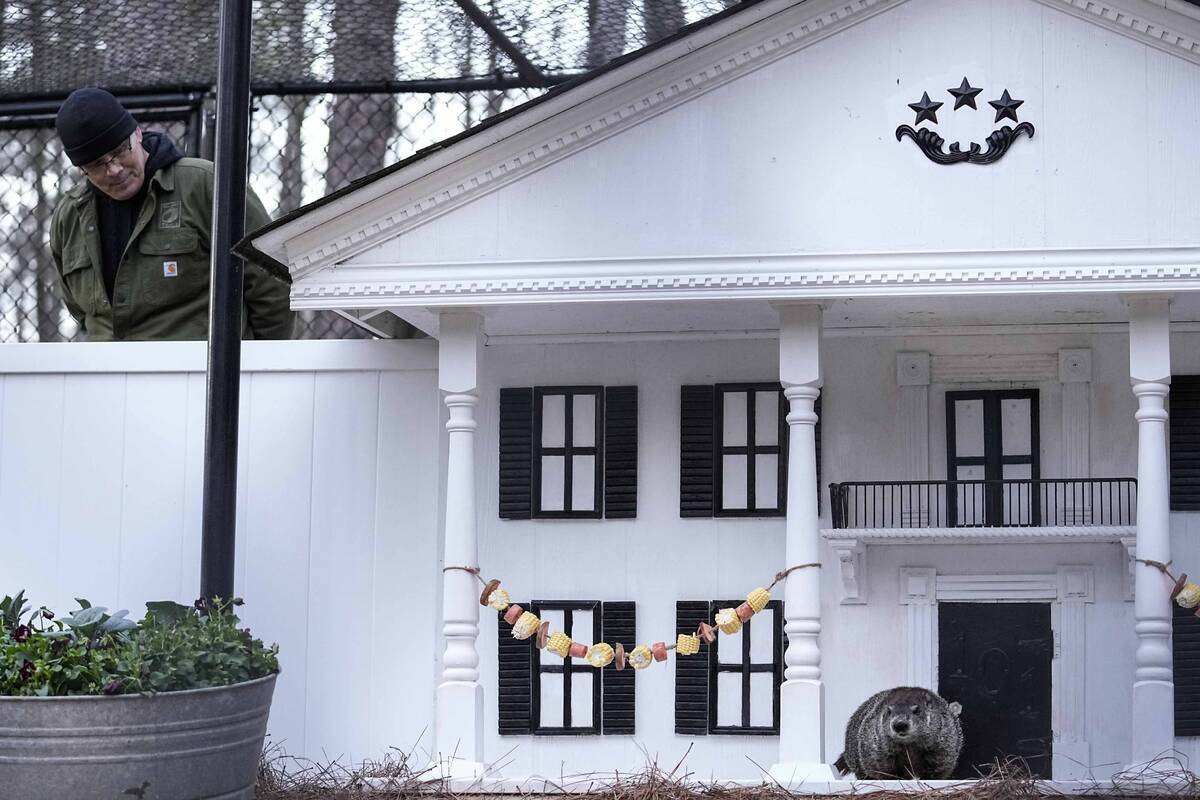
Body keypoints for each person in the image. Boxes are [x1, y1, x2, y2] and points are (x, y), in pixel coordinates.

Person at [49, 87, 294, 341]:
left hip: (197, 373)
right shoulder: (69, 218)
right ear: (81, 170)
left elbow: (271, 285)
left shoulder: (207, 186)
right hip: (108, 374)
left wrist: (258, 369)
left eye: (120, 150)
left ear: (137, 133)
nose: (114, 169)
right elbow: (79, 311)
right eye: (97, 164)